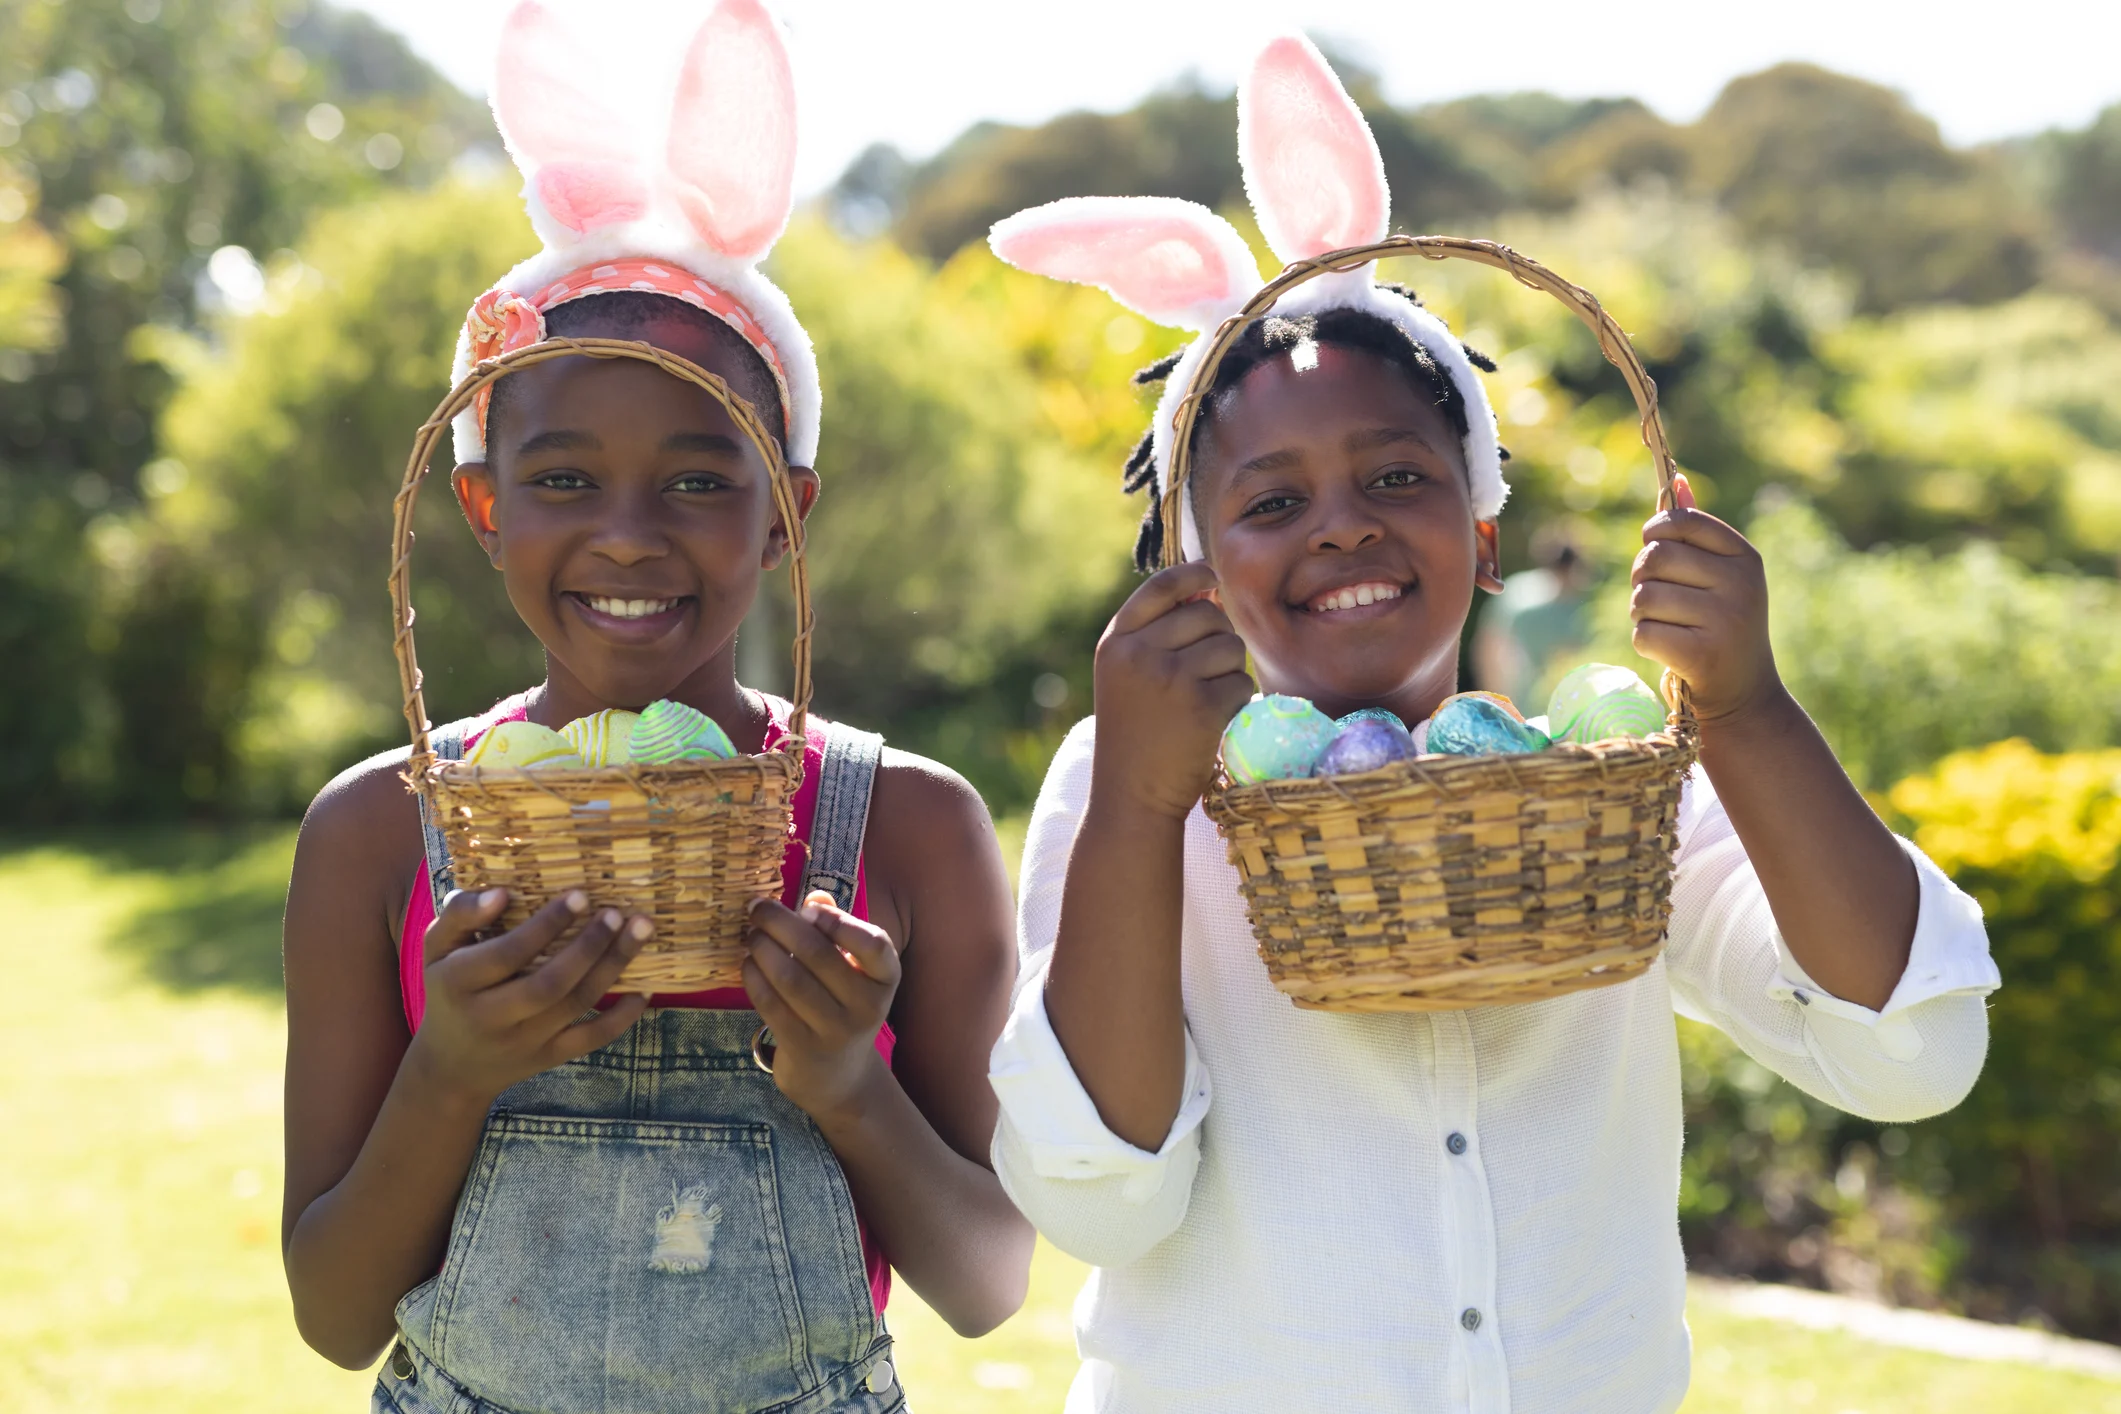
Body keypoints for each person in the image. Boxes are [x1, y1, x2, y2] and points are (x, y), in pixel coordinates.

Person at [983, 36, 1998, 1413]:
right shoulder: (1135, 786)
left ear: (1480, 520)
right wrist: (1146, 811)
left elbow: (1910, 1053)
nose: (1340, 520)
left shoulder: (1602, 787)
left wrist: (1746, 712)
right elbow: (1101, 1201)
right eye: (1269, 501)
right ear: (1194, 565)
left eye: (1396, 473)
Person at [279, 5, 1031, 1411]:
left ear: (786, 517)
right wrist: (449, 1073)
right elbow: (331, 1310)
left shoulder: (910, 826)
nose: (630, 534)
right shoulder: (383, 832)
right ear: (485, 507)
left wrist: (846, 1083)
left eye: (699, 478)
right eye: (564, 478)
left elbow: (989, 1283)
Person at [1472, 521, 1595, 708]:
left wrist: (1499, 704)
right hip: (1575, 708)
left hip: (1524, 706)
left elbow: (1489, 653)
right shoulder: (1587, 604)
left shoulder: (1516, 593)